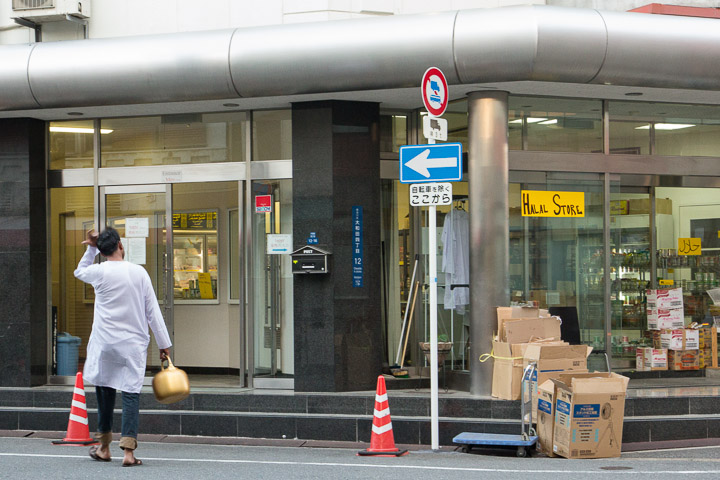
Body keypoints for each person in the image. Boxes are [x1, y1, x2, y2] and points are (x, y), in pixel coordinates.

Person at [74, 227, 172, 467]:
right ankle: (128, 453)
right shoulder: (139, 273)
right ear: (120, 245)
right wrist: (164, 344)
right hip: (132, 344)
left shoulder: (98, 272)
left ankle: (104, 448)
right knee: (130, 394)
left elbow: (79, 271)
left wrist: (90, 247)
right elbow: (152, 311)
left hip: (105, 342)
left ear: (102, 249)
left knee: (105, 390)